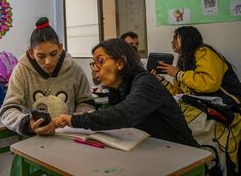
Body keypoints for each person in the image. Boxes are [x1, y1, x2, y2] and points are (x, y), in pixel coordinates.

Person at [54, 38, 198, 147]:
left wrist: (73, 120)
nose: (95, 68)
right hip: (149, 151)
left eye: (100, 61)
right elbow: (114, 121)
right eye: (94, 63)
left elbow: (123, 115)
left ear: (120, 63)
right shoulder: (117, 88)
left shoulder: (146, 82)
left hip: (182, 153)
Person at [0, 17, 95, 136]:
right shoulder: (21, 70)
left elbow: (87, 104)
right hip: (34, 139)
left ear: (60, 48)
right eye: (41, 56)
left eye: (53, 54)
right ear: (31, 53)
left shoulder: (74, 70)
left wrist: (74, 121)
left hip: (69, 137)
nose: (48, 61)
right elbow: (8, 110)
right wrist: (28, 124)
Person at [152, 26, 241, 106]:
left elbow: (209, 83)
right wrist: (163, 81)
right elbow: (181, 94)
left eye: (176, 37)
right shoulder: (183, 60)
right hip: (207, 106)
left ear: (188, 39)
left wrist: (178, 74)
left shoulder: (204, 52)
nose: (172, 42)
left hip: (230, 104)